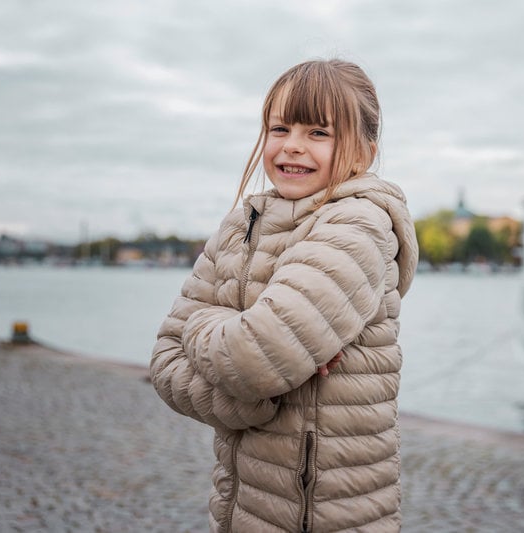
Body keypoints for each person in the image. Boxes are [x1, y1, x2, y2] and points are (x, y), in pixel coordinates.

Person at [150, 59, 419, 533]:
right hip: (244, 509)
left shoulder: (357, 226)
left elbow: (253, 358)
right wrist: (251, 401)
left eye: (319, 132)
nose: (293, 145)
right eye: (280, 128)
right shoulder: (240, 226)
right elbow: (165, 365)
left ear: (365, 152)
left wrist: (205, 326)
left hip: (325, 515)